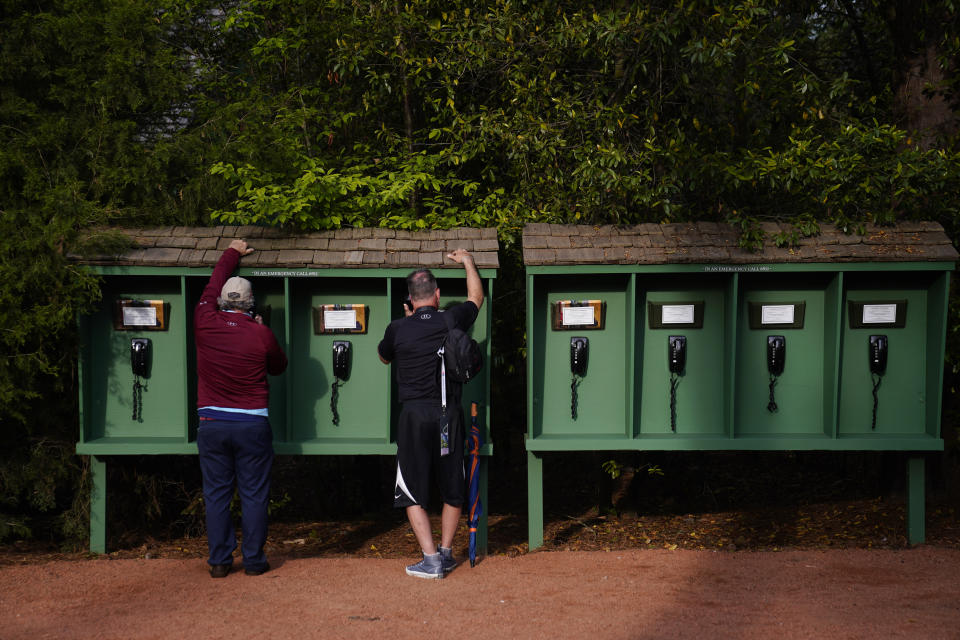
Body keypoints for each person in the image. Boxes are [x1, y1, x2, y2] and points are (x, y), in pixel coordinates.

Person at [377, 248, 484, 579]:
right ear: (437, 295)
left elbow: (384, 358)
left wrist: (408, 323)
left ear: (410, 298)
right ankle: (447, 553)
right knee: (452, 483)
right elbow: (476, 297)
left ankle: (429, 559)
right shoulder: (451, 318)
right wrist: (467, 260)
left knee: (410, 488)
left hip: (413, 418)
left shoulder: (397, 328)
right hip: (446, 416)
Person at [194, 239, 288, 578]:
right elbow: (279, 366)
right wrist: (262, 329)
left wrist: (232, 252)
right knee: (253, 494)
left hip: (212, 421)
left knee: (217, 494)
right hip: (252, 424)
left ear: (220, 302)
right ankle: (253, 560)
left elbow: (212, 282)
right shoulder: (261, 334)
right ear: (251, 304)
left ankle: (219, 562)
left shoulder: (204, 318)